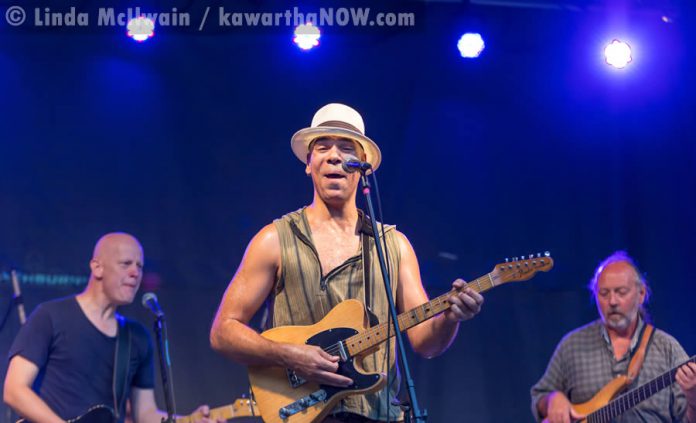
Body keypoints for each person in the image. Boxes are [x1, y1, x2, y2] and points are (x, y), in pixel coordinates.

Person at [210, 103, 485, 422]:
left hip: (378, 414)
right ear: (308, 163)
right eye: (323, 147)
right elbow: (223, 331)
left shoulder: (393, 246)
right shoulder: (274, 239)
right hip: (303, 412)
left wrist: (451, 318)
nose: (334, 156)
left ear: (362, 164)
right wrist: (289, 355)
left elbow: (426, 343)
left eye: (345, 147)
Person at [3, 232, 222, 423]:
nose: (135, 273)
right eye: (126, 264)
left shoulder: (136, 338)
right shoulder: (50, 316)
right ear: (97, 267)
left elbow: (144, 414)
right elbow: (14, 390)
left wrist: (188, 421)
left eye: (139, 266)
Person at [530, 251, 696, 423]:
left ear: (641, 294)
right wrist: (552, 399)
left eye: (621, 292)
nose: (612, 301)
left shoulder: (667, 348)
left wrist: (693, 397)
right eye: (604, 293)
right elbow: (540, 396)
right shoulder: (572, 345)